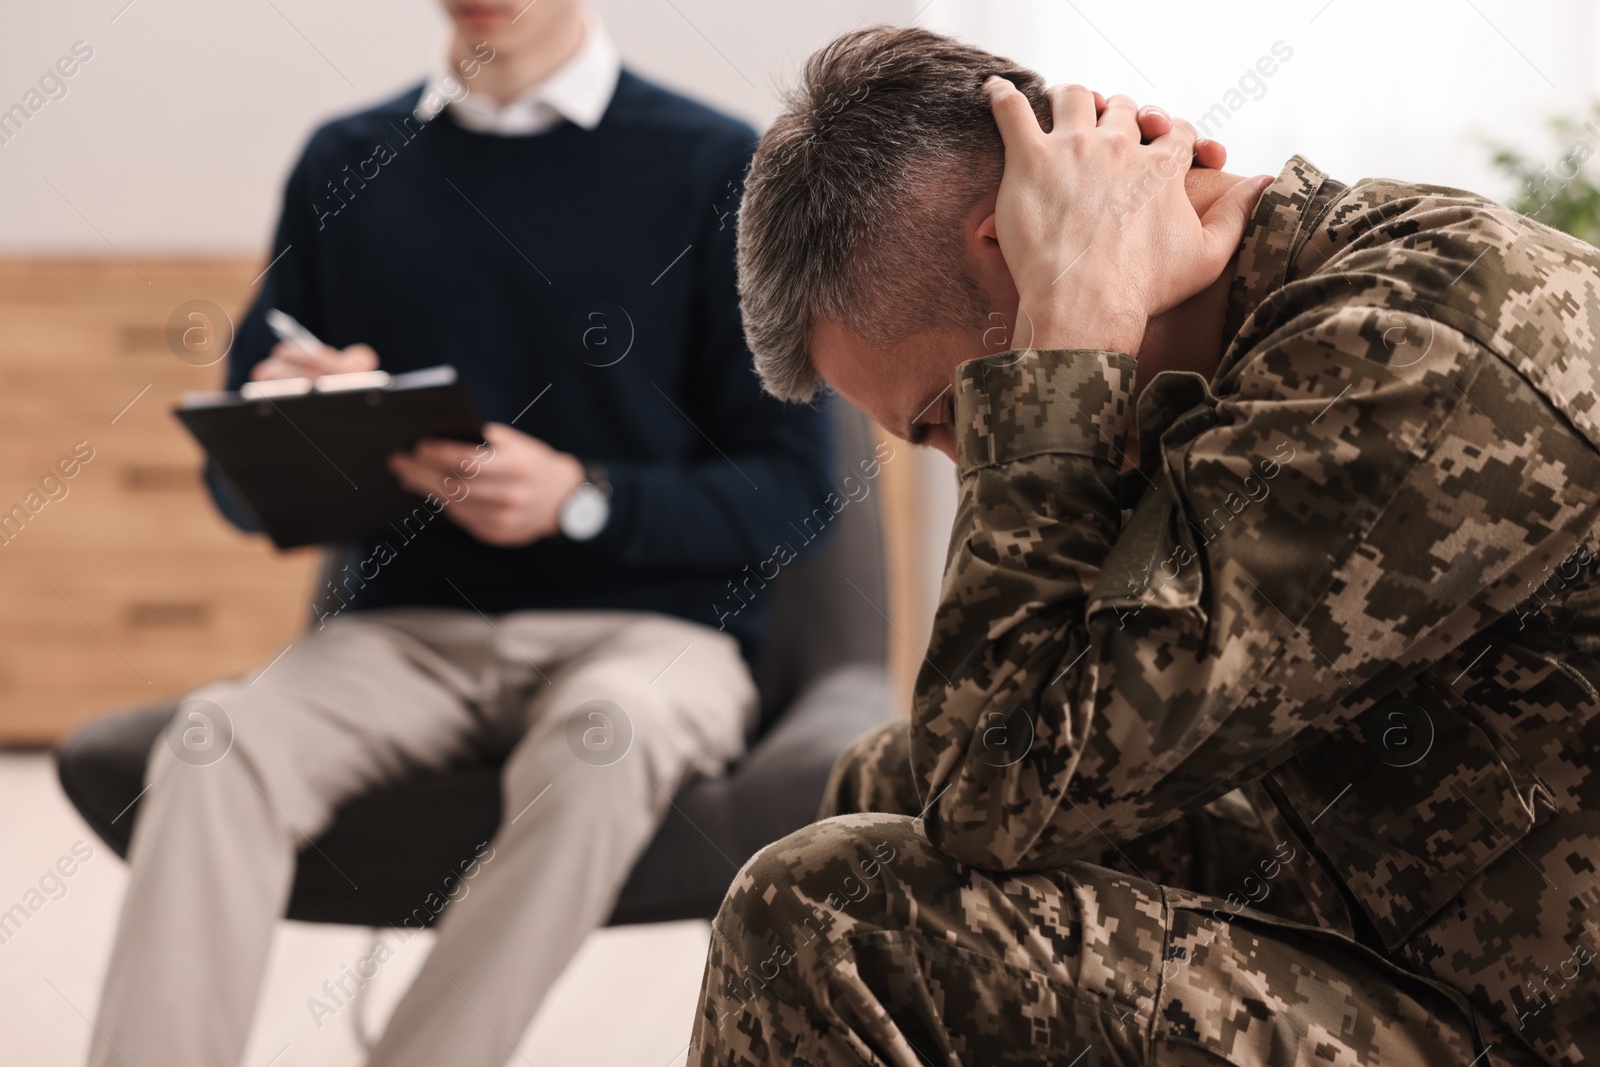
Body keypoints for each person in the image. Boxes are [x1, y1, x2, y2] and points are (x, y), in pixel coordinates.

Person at [689, 25, 1600, 1067]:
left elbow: (999, 788)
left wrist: (1064, 347)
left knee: (826, 925)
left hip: (1537, 1030)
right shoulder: (1249, 339)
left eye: (948, 414)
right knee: (884, 786)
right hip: (1426, 931)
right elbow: (974, 768)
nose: (957, 457)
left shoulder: (1407, 346)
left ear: (1015, 247)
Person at [86, 2, 832, 1066]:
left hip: (646, 636)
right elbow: (240, 492)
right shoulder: (348, 161)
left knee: (603, 736)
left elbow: (796, 492)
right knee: (216, 739)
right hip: (404, 635)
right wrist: (303, 425)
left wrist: (585, 497)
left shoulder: (722, 168)